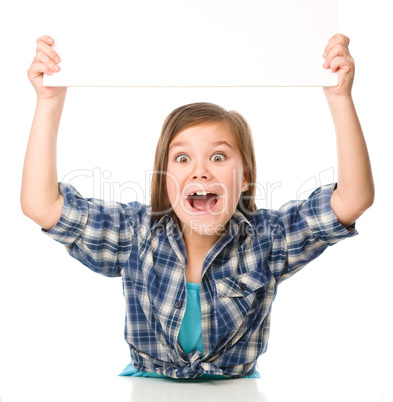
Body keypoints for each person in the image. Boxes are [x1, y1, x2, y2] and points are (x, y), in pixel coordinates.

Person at [21, 33, 374, 380]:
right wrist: (49, 102)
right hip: (149, 387)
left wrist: (341, 98)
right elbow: (42, 205)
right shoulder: (135, 233)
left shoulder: (269, 239)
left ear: (246, 177)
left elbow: (352, 199)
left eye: (218, 156)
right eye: (183, 157)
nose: (200, 171)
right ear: (164, 178)